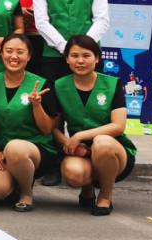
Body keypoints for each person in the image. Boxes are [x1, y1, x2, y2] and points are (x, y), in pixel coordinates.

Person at [49, 35, 135, 216]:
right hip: (79, 150)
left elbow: (118, 126)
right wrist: (69, 144)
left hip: (113, 150)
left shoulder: (112, 84)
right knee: (73, 174)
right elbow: (54, 128)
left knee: (102, 142)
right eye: (74, 56)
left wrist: (80, 135)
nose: (80, 61)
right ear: (67, 59)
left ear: (97, 58)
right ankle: (87, 189)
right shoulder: (58, 86)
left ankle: (105, 196)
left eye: (86, 55)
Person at [0, 34, 60, 212]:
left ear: (29, 56)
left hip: (33, 149)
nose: (13, 56)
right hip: (0, 150)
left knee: (16, 148)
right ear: (1, 53)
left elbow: (47, 129)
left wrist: (37, 106)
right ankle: (14, 182)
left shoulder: (41, 84)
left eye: (20, 52)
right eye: (9, 51)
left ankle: (26, 192)